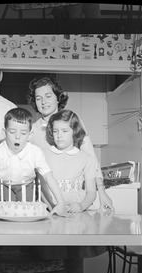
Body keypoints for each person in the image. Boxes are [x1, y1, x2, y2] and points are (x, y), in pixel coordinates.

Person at [34, 109, 107, 273]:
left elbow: (91, 192)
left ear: (74, 131)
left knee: (76, 266)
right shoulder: (43, 154)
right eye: (56, 131)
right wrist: (54, 206)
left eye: (64, 131)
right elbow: (42, 188)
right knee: (57, 266)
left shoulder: (86, 158)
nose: (59, 136)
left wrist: (81, 206)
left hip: (76, 220)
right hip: (54, 218)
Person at [27, 76, 114, 211]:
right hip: (47, 202)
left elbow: (91, 157)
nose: (43, 102)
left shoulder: (74, 121)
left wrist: (101, 191)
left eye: (48, 96)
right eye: (38, 98)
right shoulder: (32, 131)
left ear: (57, 98)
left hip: (76, 201)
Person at [0, 107, 65, 217]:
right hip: (2, 185)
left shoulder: (35, 152)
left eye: (23, 133)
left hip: (26, 185)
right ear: (4, 132)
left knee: (26, 210)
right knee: (4, 208)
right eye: (12, 132)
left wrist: (61, 203)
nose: (17, 137)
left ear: (30, 135)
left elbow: (49, 176)